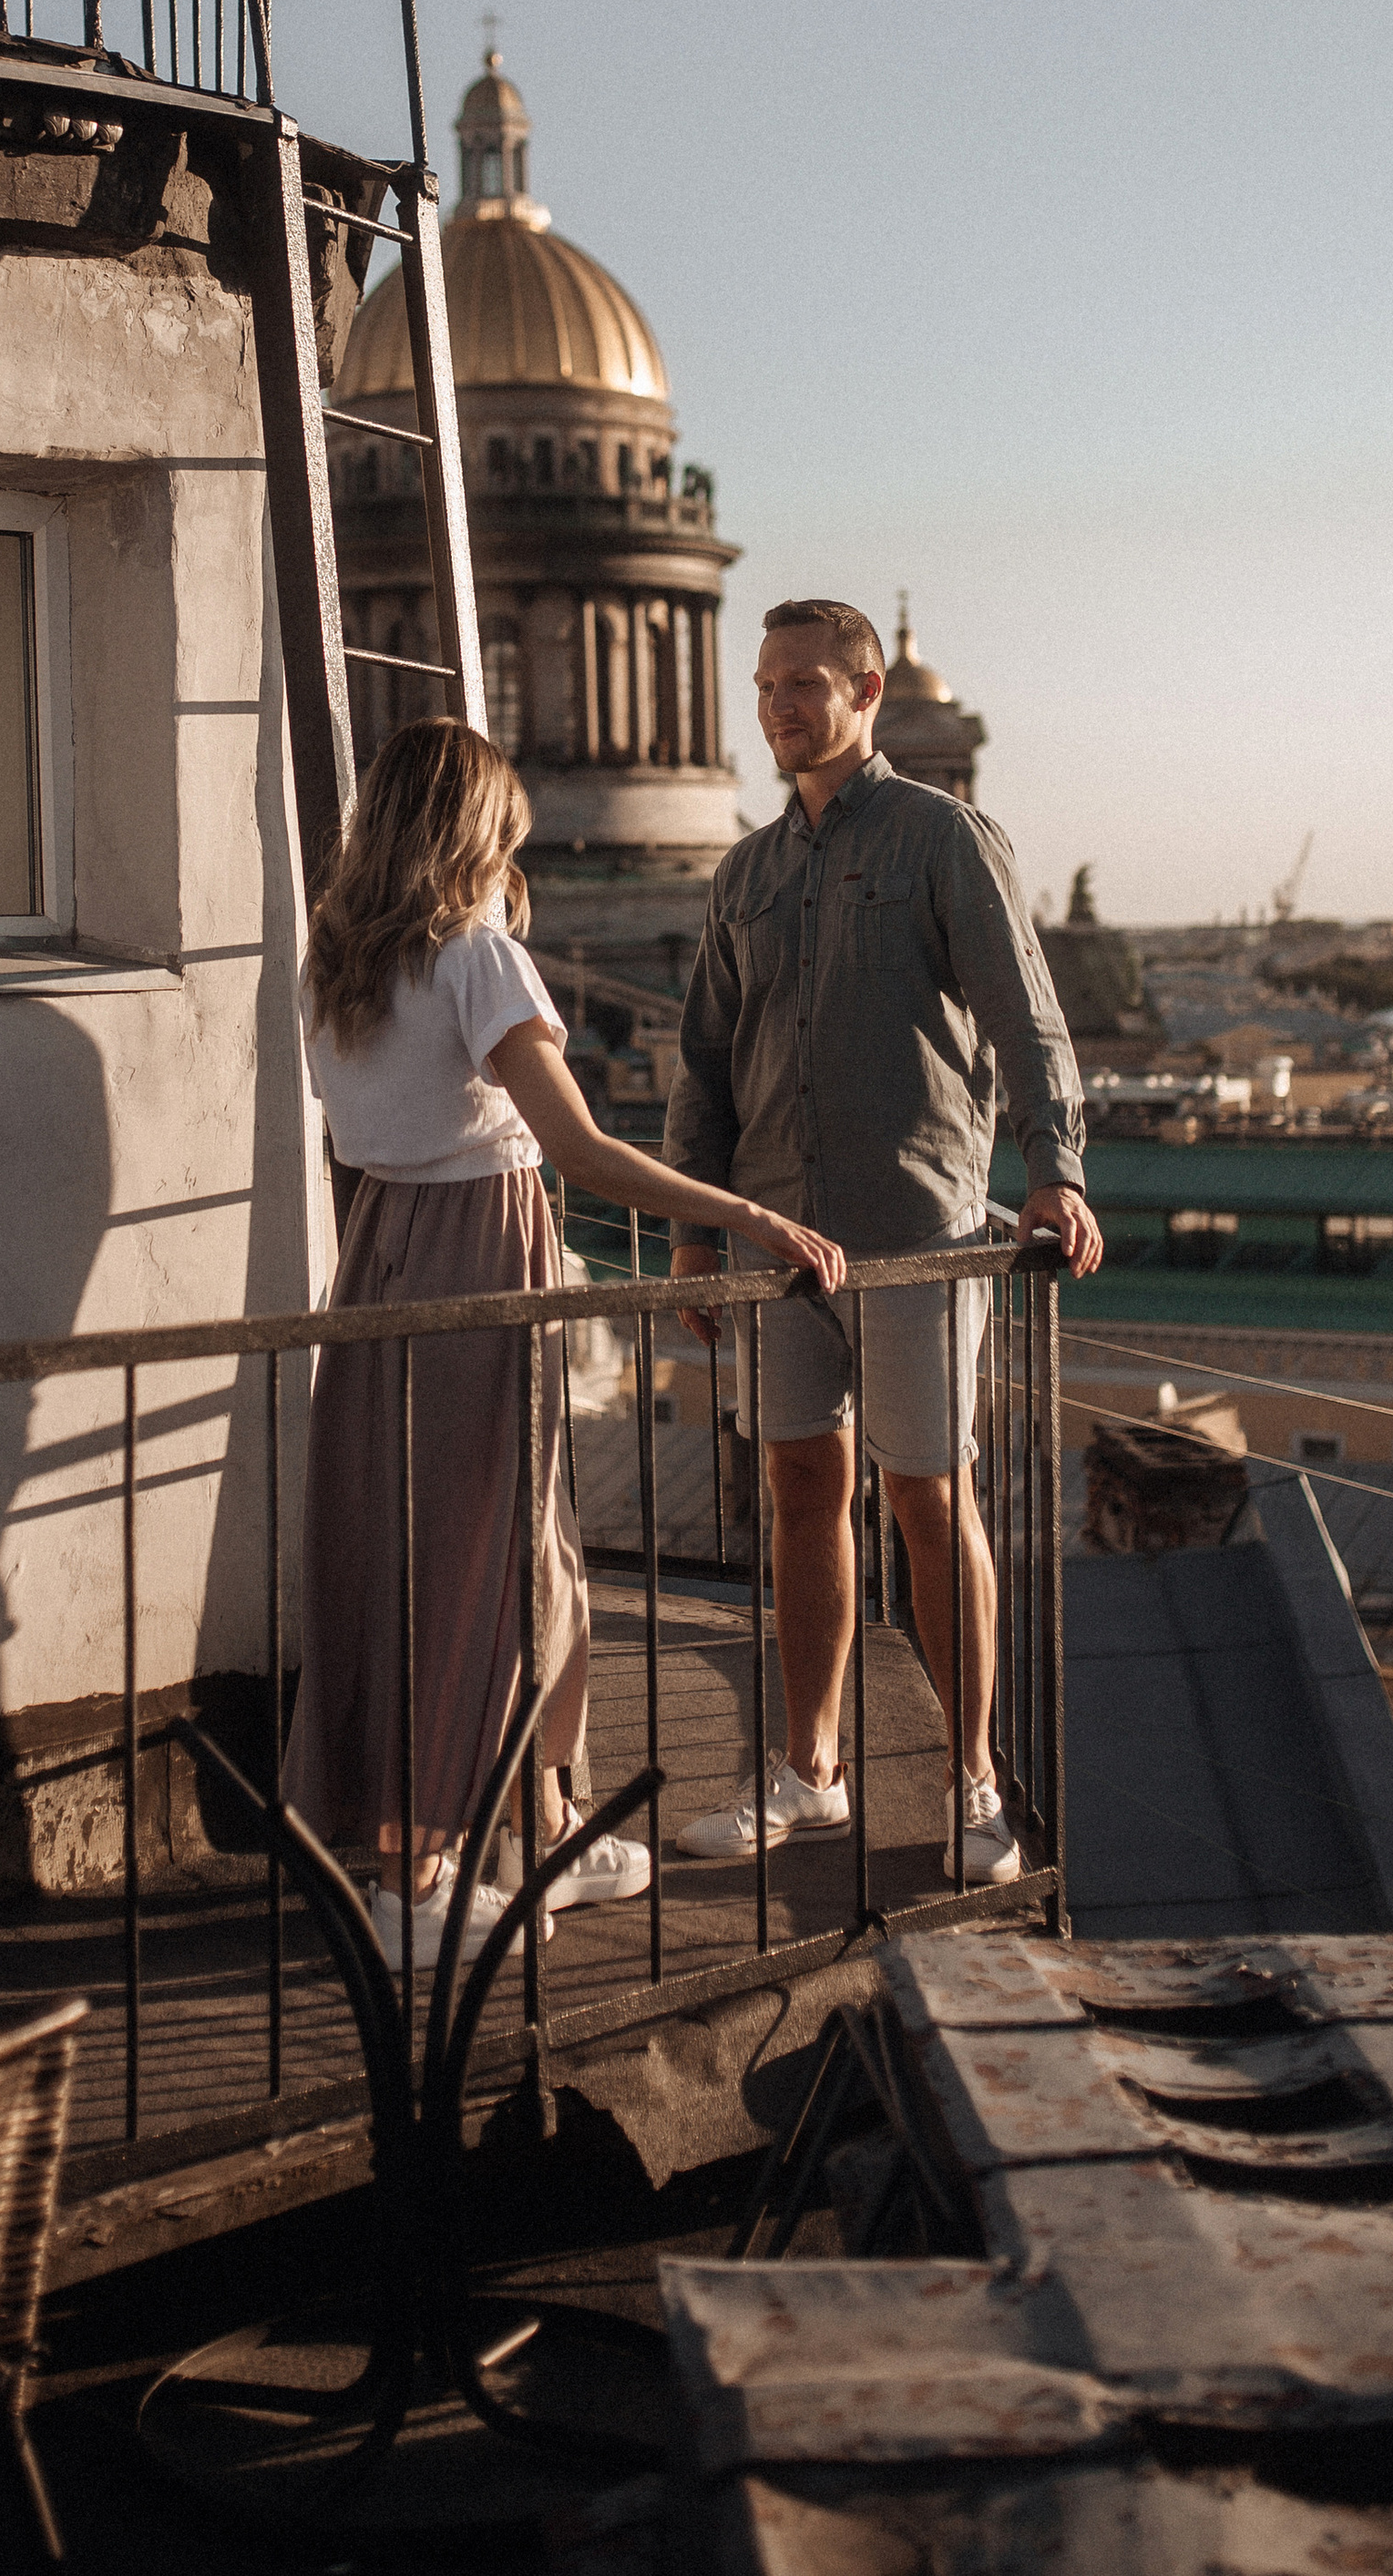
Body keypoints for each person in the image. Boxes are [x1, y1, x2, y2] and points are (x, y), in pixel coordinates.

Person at [283, 716, 846, 1973]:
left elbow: (359, 1120)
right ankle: (412, 1881)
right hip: (483, 1246)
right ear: (480, 831)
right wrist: (744, 1210)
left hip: (377, 1249)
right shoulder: (480, 957)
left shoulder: (337, 959)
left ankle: (542, 1821)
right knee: (475, 1555)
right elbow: (584, 1149)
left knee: (474, 1547)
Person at [663, 599, 1103, 1885]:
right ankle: (811, 1771)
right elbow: (703, 1065)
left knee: (927, 1494)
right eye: (763, 686)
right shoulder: (742, 872)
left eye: (803, 683)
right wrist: (699, 1233)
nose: (777, 706)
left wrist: (1053, 1171)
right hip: (780, 1238)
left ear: (866, 690)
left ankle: (972, 1785)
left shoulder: (941, 837)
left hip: (917, 1232)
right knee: (802, 1493)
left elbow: (1027, 1013)